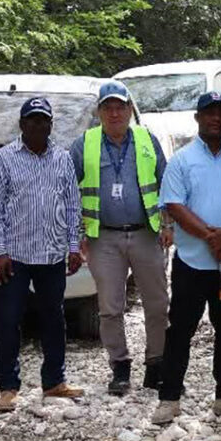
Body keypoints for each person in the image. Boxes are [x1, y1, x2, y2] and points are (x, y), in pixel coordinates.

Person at [151, 91, 221, 425]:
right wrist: (210, 238)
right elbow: (174, 204)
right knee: (181, 329)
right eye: (209, 113)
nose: (216, 119)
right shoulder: (182, 161)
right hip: (192, 262)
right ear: (198, 118)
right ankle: (169, 398)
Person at [69, 81, 172, 396]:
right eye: (107, 108)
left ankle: (156, 363)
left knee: (157, 304)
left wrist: (168, 225)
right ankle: (120, 367)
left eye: (120, 107)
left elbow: (166, 182)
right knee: (110, 308)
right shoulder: (83, 145)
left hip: (146, 234)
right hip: (104, 239)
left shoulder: (146, 140)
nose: (114, 113)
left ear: (130, 110)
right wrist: (77, 235)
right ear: (98, 112)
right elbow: (68, 192)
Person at [0, 97, 85, 412]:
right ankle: (8, 387)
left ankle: (54, 381)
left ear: (51, 125)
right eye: (32, 120)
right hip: (14, 255)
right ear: (21, 124)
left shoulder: (62, 158)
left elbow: (71, 205)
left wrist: (73, 246)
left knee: (54, 319)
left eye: (44, 120)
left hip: (53, 254)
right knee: (9, 320)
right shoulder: (3, 158)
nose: (38, 125)